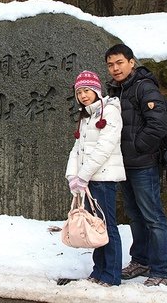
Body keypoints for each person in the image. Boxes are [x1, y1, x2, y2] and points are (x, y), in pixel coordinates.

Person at [104, 43, 167, 287]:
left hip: (143, 164)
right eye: (111, 64)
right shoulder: (115, 90)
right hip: (124, 165)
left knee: (153, 216)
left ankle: (162, 271)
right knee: (135, 216)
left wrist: (138, 147)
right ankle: (141, 260)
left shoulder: (144, 87)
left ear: (132, 62)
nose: (115, 68)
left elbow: (158, 124)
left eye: (119, 62)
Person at [66, 70, 126, 287]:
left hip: (103, 178)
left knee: (107, 225)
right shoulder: (86, 115)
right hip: (88, 179)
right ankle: (99, 270)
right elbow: (77, 148)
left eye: (86, 91)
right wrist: (73, 175)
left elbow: (104, 148)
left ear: (96, 90)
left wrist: (83, 175)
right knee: (95, 226)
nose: (83, 95)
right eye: (79, 92)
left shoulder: (109, 112)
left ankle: (111, 275)